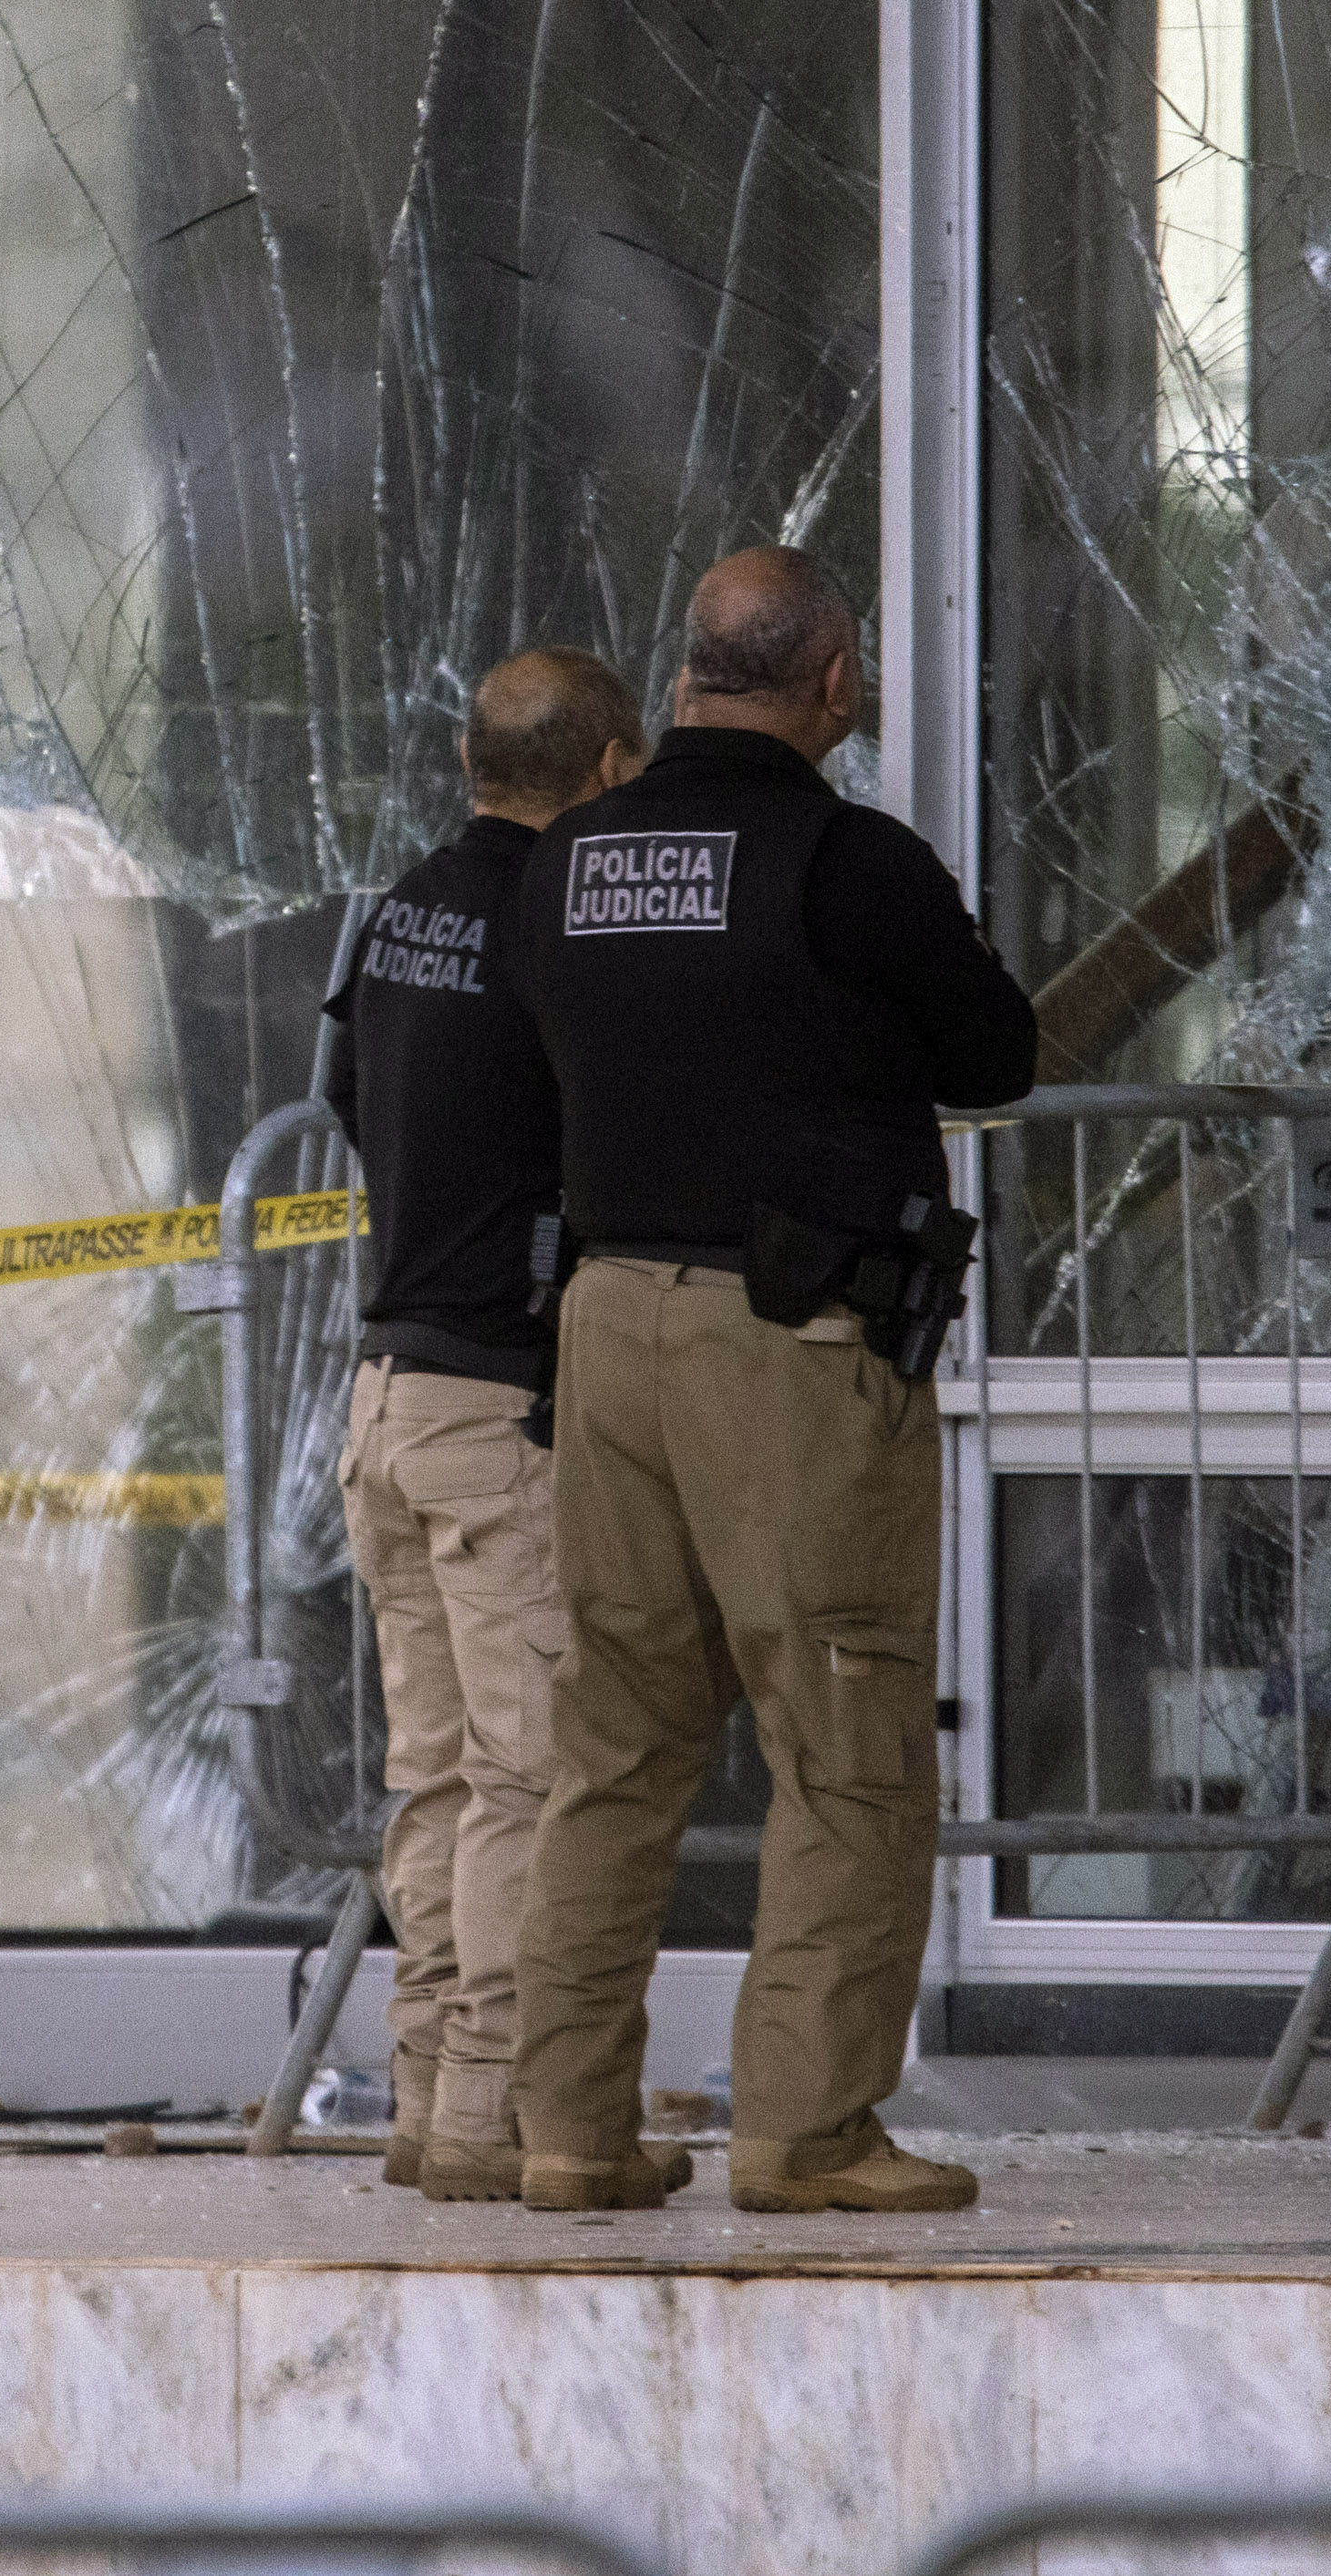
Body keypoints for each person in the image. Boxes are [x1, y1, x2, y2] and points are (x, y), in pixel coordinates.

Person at [500, 545, 1043, 2218]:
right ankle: (805, 2128)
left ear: (681, 681)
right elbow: (996, 1059)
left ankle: (569, 2132)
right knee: (846, 1738)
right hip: (788, 1352)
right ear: (836, 685)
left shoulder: (571, 858)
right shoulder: (846, 859)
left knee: (613, 1746)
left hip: (603, 1335)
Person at [320, 645, 644, 2199]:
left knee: (437, 1775)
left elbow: (346, 1101)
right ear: (609, 770)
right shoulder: (554, 926)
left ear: (469, 757)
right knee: (521, 1777)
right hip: (491, 1406)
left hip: (379, 1398)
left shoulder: (400, 914)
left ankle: (422, 2093)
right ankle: (491, 2115)